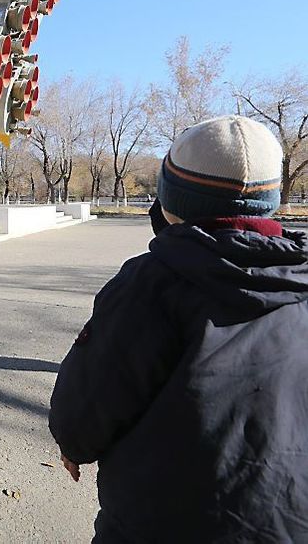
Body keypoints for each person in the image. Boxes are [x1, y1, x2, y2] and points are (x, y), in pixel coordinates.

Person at [48, 116, 308, 542]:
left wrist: (74, 443)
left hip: (162, 519)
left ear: (174, 200)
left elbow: (95, 392)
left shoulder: (152, 282)